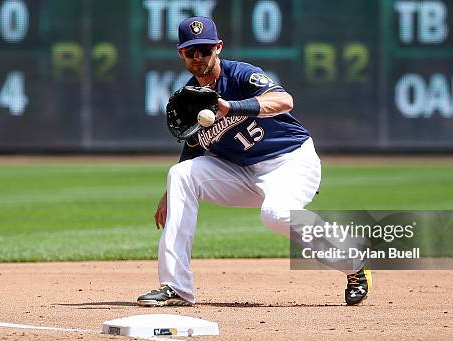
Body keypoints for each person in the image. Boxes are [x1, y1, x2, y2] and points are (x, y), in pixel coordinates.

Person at [137, 16, 371, 307]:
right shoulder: (190, 97)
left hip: (291, 162)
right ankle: (177, 288)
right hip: (242, 173)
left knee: (275, 214)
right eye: (191, 51)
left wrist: (231, 106)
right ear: (181, 53)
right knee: (180, 174)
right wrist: (171, 193)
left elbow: (285, 101)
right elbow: (193, 145)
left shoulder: (240, 75)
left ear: (218, 47)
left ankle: (353, 262)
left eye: (205, 49)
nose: (198, 56)